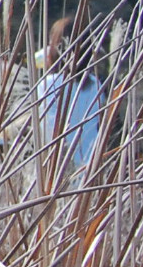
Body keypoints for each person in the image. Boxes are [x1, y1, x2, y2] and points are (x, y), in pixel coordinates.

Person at [36, 15, 104, 170]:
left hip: (60, 168)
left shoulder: (47, 84)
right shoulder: (95, 84)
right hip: (90, 166)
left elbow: (46, 131)